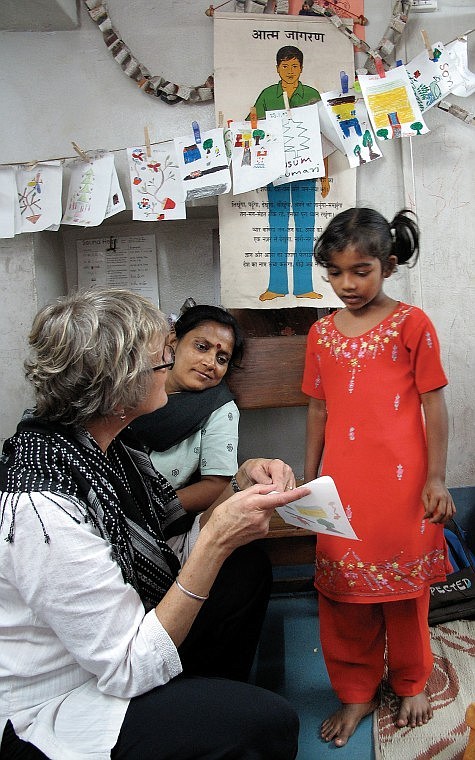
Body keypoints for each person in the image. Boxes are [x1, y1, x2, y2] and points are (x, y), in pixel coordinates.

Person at [0, 286, 311, 760]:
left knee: (245, 568)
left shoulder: (108, 448)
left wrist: (241, 484)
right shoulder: (42, 506)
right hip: (59, 699)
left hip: (116, 647)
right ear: (119, 382)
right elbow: (127, 665)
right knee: (268, 724)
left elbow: (168, 539)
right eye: (162, 358)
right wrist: (215, 541)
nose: (172, 366)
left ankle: (199, 695)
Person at [301, 207, 456, 747]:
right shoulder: (320, 334)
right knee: (342, 591)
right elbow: (318, 409)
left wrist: (437, 479)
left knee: (405, 587)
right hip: (340, 485)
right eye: (336, 273)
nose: (347, 284)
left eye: (360, 271)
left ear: (388, 266)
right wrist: (308, 477)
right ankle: (355, 692)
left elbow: (434, 404)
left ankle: (412, 678)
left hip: (404, 483)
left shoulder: (413, 324)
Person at [130, 302, 244, 513]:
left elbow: (217, 485)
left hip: (163, 518)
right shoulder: (135, 384)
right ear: (173, 341)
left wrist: (150, 510)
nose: (210, 363)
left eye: (222, 359)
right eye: (201, 347)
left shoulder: (218, 408)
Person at [249, 45, 325, 302]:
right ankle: (277, 286)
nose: (290, 71)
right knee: (278, 228)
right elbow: (253, 132)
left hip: (307, 170)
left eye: (294, 66)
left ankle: (304, 287)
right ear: (277, 67)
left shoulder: (312, 94)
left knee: (305, 229)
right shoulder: (267, 95)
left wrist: (325, 174)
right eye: (285, 66)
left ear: (301, 68)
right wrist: (252, 123)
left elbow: (325, 137)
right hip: (276, 173)